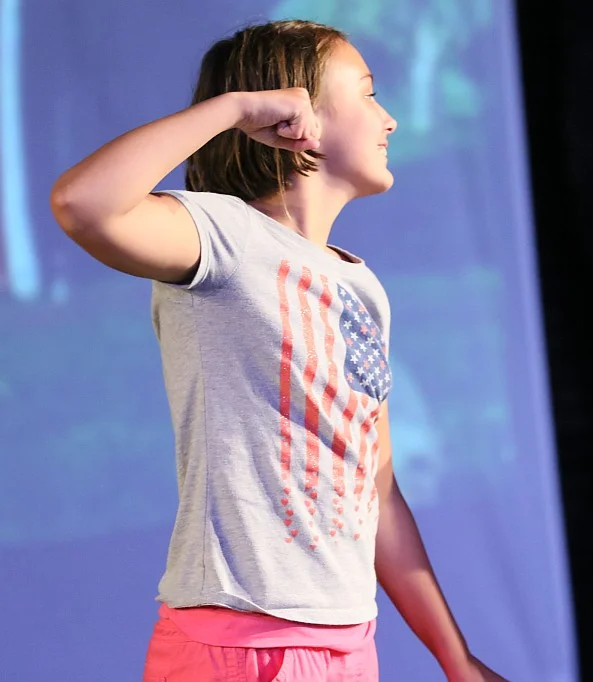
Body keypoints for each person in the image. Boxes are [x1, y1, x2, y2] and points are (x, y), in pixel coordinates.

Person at [51, 19, 505, 682]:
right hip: (242, 647)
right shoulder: (225, 236)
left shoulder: (361, 287)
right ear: (293, 116)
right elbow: (82, 204)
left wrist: (455, 658)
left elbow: (378, 494)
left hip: (350, 644)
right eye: (367, 94)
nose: (389, 119)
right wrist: (234, 110)